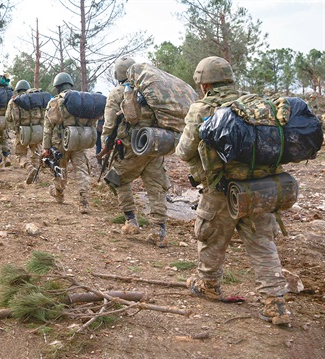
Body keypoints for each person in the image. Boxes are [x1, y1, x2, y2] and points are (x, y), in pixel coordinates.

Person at [176, 56, 290, 325]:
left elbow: (183, 151)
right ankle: (276, 304)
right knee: (263, 244)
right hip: (261, 189)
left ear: (204, 84)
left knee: (210, 237)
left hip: (221, 188)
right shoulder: (256, 104)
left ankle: (209, 285)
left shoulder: (203, 108)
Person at [100, 57, 170, 248]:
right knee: (156, 188)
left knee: (116, 180)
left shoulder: (117, 93)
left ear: (118, 74)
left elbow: (108, 124)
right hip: (154, 144)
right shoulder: (150, 91)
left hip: (130, 148)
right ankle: (159, 231)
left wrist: (105, 145)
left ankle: (131, 221)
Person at [42, 72, 92, 214]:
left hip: (60, 143)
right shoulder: (82, 100)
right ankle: (83, 201)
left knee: (60, 169)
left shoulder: (54, 102)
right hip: (79, 141)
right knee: (81, 170)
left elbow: (48, 128)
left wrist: (46, 147)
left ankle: (59, 194)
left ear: (57, 87)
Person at [5, 79, 43, 183]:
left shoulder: (14, 100)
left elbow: (8, 117)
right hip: (37, 131)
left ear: (17, 90)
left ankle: (29, 167)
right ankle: (36, 178)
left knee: (19, 154)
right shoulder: (36, 99)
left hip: (22, 132)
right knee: (36, 153)